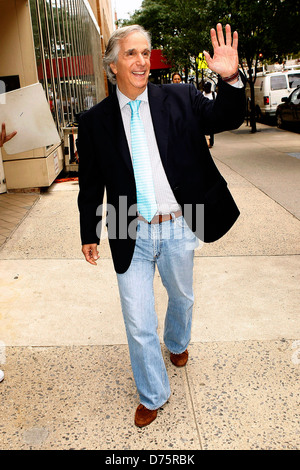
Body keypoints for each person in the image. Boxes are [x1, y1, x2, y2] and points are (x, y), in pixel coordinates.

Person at [77, 23, 245, 427]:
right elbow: (91, 183)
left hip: (182, 217)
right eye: (131, 53)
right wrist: (89, 232)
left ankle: (178, 341)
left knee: (182, 296)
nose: (141, 61)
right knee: (137, 319)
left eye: (145, 52)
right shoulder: (94, 120)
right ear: (112, 65)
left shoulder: (181, 97)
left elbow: (228, 116)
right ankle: (153, 392)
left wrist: (231, 79)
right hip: (125, 223)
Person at [203, 81, 217, 147]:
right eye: (205, 87)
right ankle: (207, 141)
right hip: (204, 114)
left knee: (211, 129)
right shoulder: (202, 94)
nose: (206, 89)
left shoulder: (214, 94)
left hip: (212, 113)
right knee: (205, 128)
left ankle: (211, 142)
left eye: (207, 87)